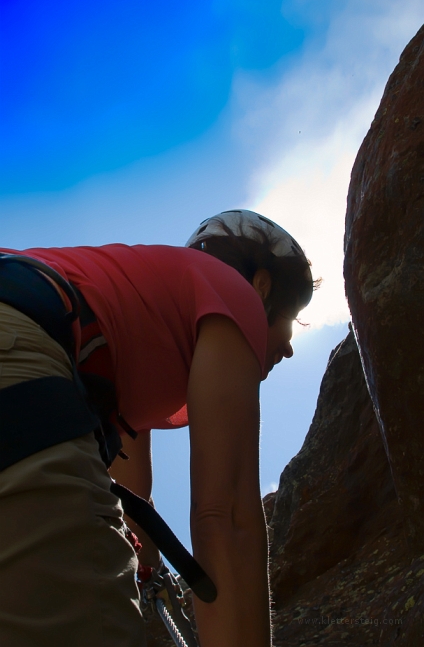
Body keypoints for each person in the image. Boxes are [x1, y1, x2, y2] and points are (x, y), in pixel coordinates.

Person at [0, 209, 315, 647]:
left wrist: (149, 574)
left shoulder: (135, 316)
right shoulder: (234, 295)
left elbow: (133, 500)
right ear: (260, 286)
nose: (289, 348)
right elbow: (224, 518)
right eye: (291, 318)